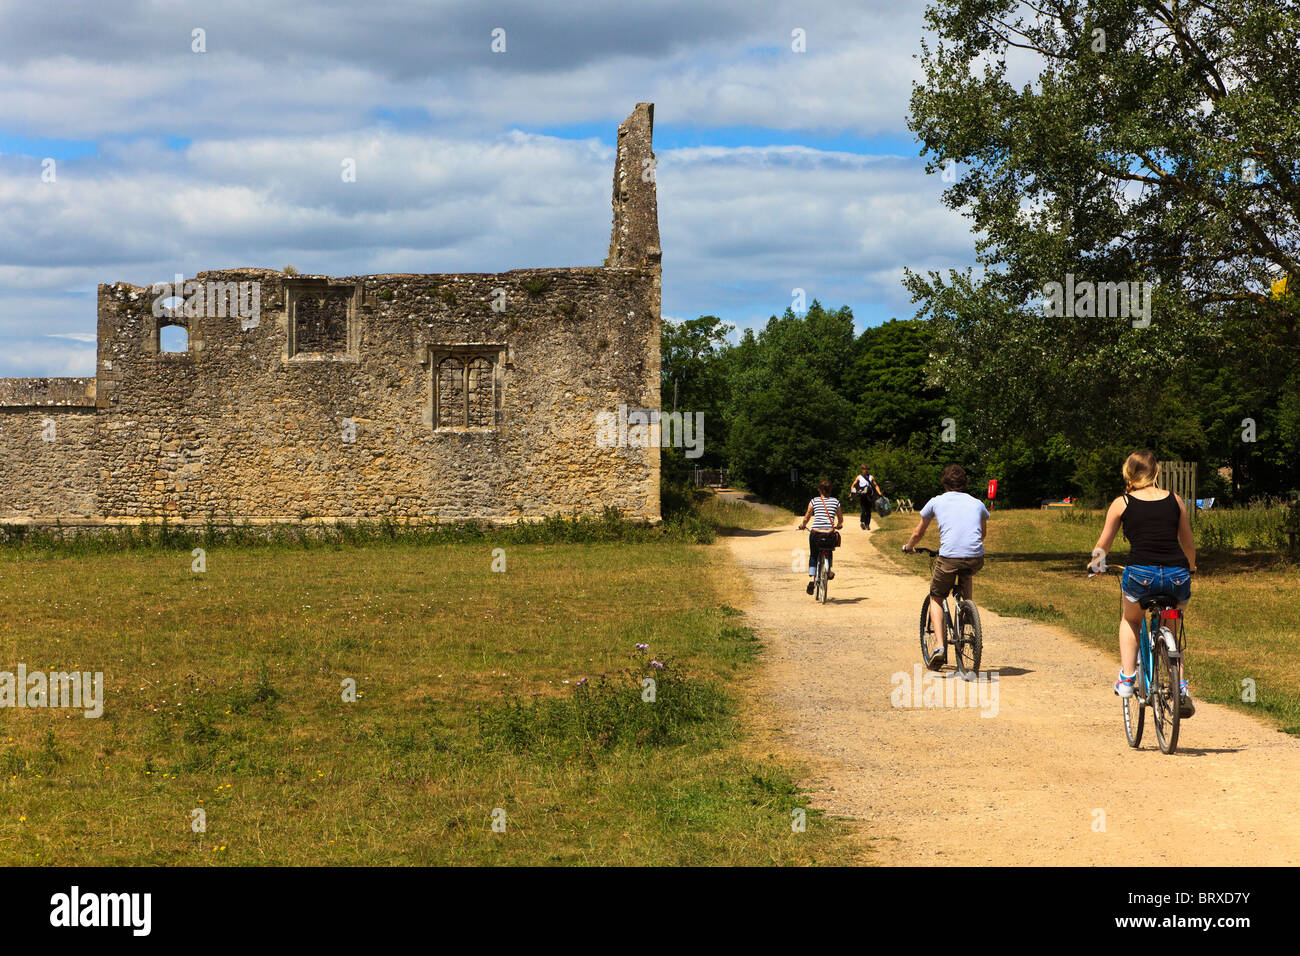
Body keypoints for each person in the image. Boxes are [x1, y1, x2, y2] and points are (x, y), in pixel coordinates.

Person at [1089, 450, 1196, 716]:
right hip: (1176, 575)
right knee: (1172, 624)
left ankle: (1126, 679)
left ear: (1128, 474)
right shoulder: (1175, 500)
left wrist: (1096, 564)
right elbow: (1187, 542)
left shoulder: (1122, 502)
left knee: (1131, 620)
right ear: (1156, 472)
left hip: (1141, 575)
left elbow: (1104, 543)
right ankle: (1180, 687)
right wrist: (1191, 567)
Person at [902, 464, 989, 668]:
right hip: (976, 557)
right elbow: (982, 534)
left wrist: (908, 547)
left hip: (949, 558)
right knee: (966, 574)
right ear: (964, 483)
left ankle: (940, 647)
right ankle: (968, 610)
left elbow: (918, 533)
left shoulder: (936, 501)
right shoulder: (977, 503)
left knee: (936, 597)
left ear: (944, 482)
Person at [797, 477, 844, 595]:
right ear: (830, 490)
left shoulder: (814, 501)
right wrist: (839, 525)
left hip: (816, 533)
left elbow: (807, 516)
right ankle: (828, 571)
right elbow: (840, 518)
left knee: (814, 555)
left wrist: (803, 525)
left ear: (819, 490)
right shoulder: (835, 502)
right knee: (829, 549)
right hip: (829, 534)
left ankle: (811, 580)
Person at [849, 464, 883, 530]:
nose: (865, 470)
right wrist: (852, 492)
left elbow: (876, 485)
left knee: (868, 510)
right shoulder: (859, 477)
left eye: (866, 469)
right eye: (864, 469)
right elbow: (853, 485)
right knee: (863, 509)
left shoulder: (871, 477)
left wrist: (879, 492)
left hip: (870, 495)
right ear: (862, 470)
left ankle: (867, 524)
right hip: (862, 495)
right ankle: (862, 522)